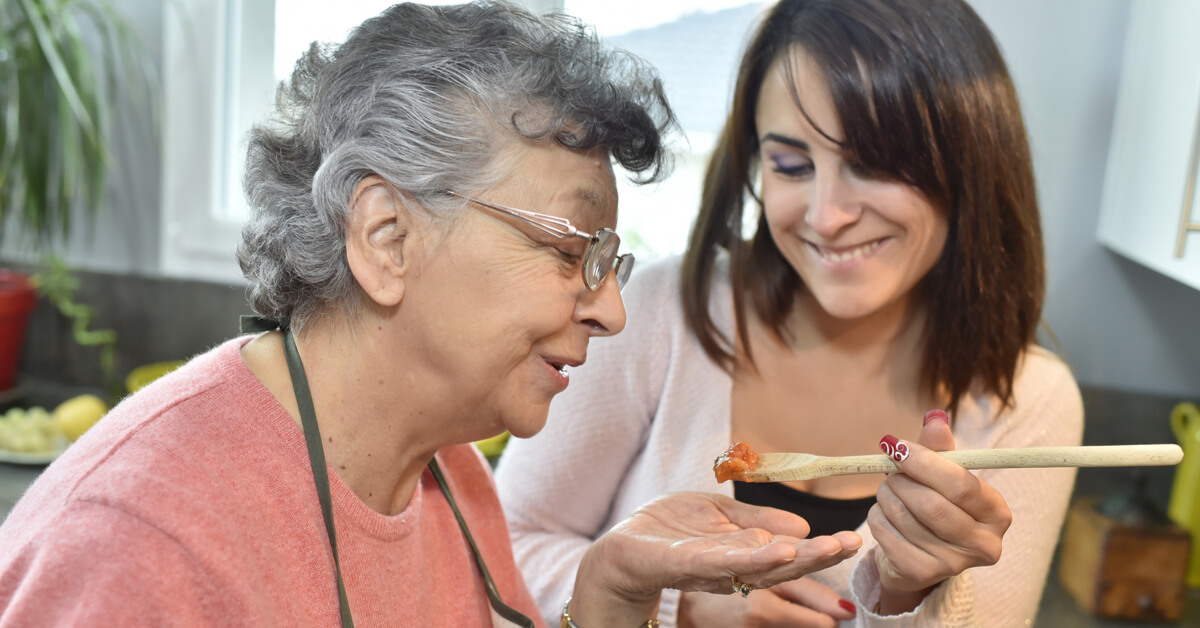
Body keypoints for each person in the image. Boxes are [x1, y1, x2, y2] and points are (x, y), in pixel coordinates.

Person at [0, 2, 865, 626]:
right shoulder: (137, 545)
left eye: (609, 261)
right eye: (571, 251)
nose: (611, 311)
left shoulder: (451, 474)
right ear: (386, 238)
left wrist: (608, 596)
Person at [495, 0, 1084, 626]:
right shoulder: (653, 314)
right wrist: (677, 605)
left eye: (875, 164)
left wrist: (905, 595)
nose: (826, 216)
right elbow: (501, 547)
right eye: (791, 165)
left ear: (972, 161)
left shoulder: (1031, 402)